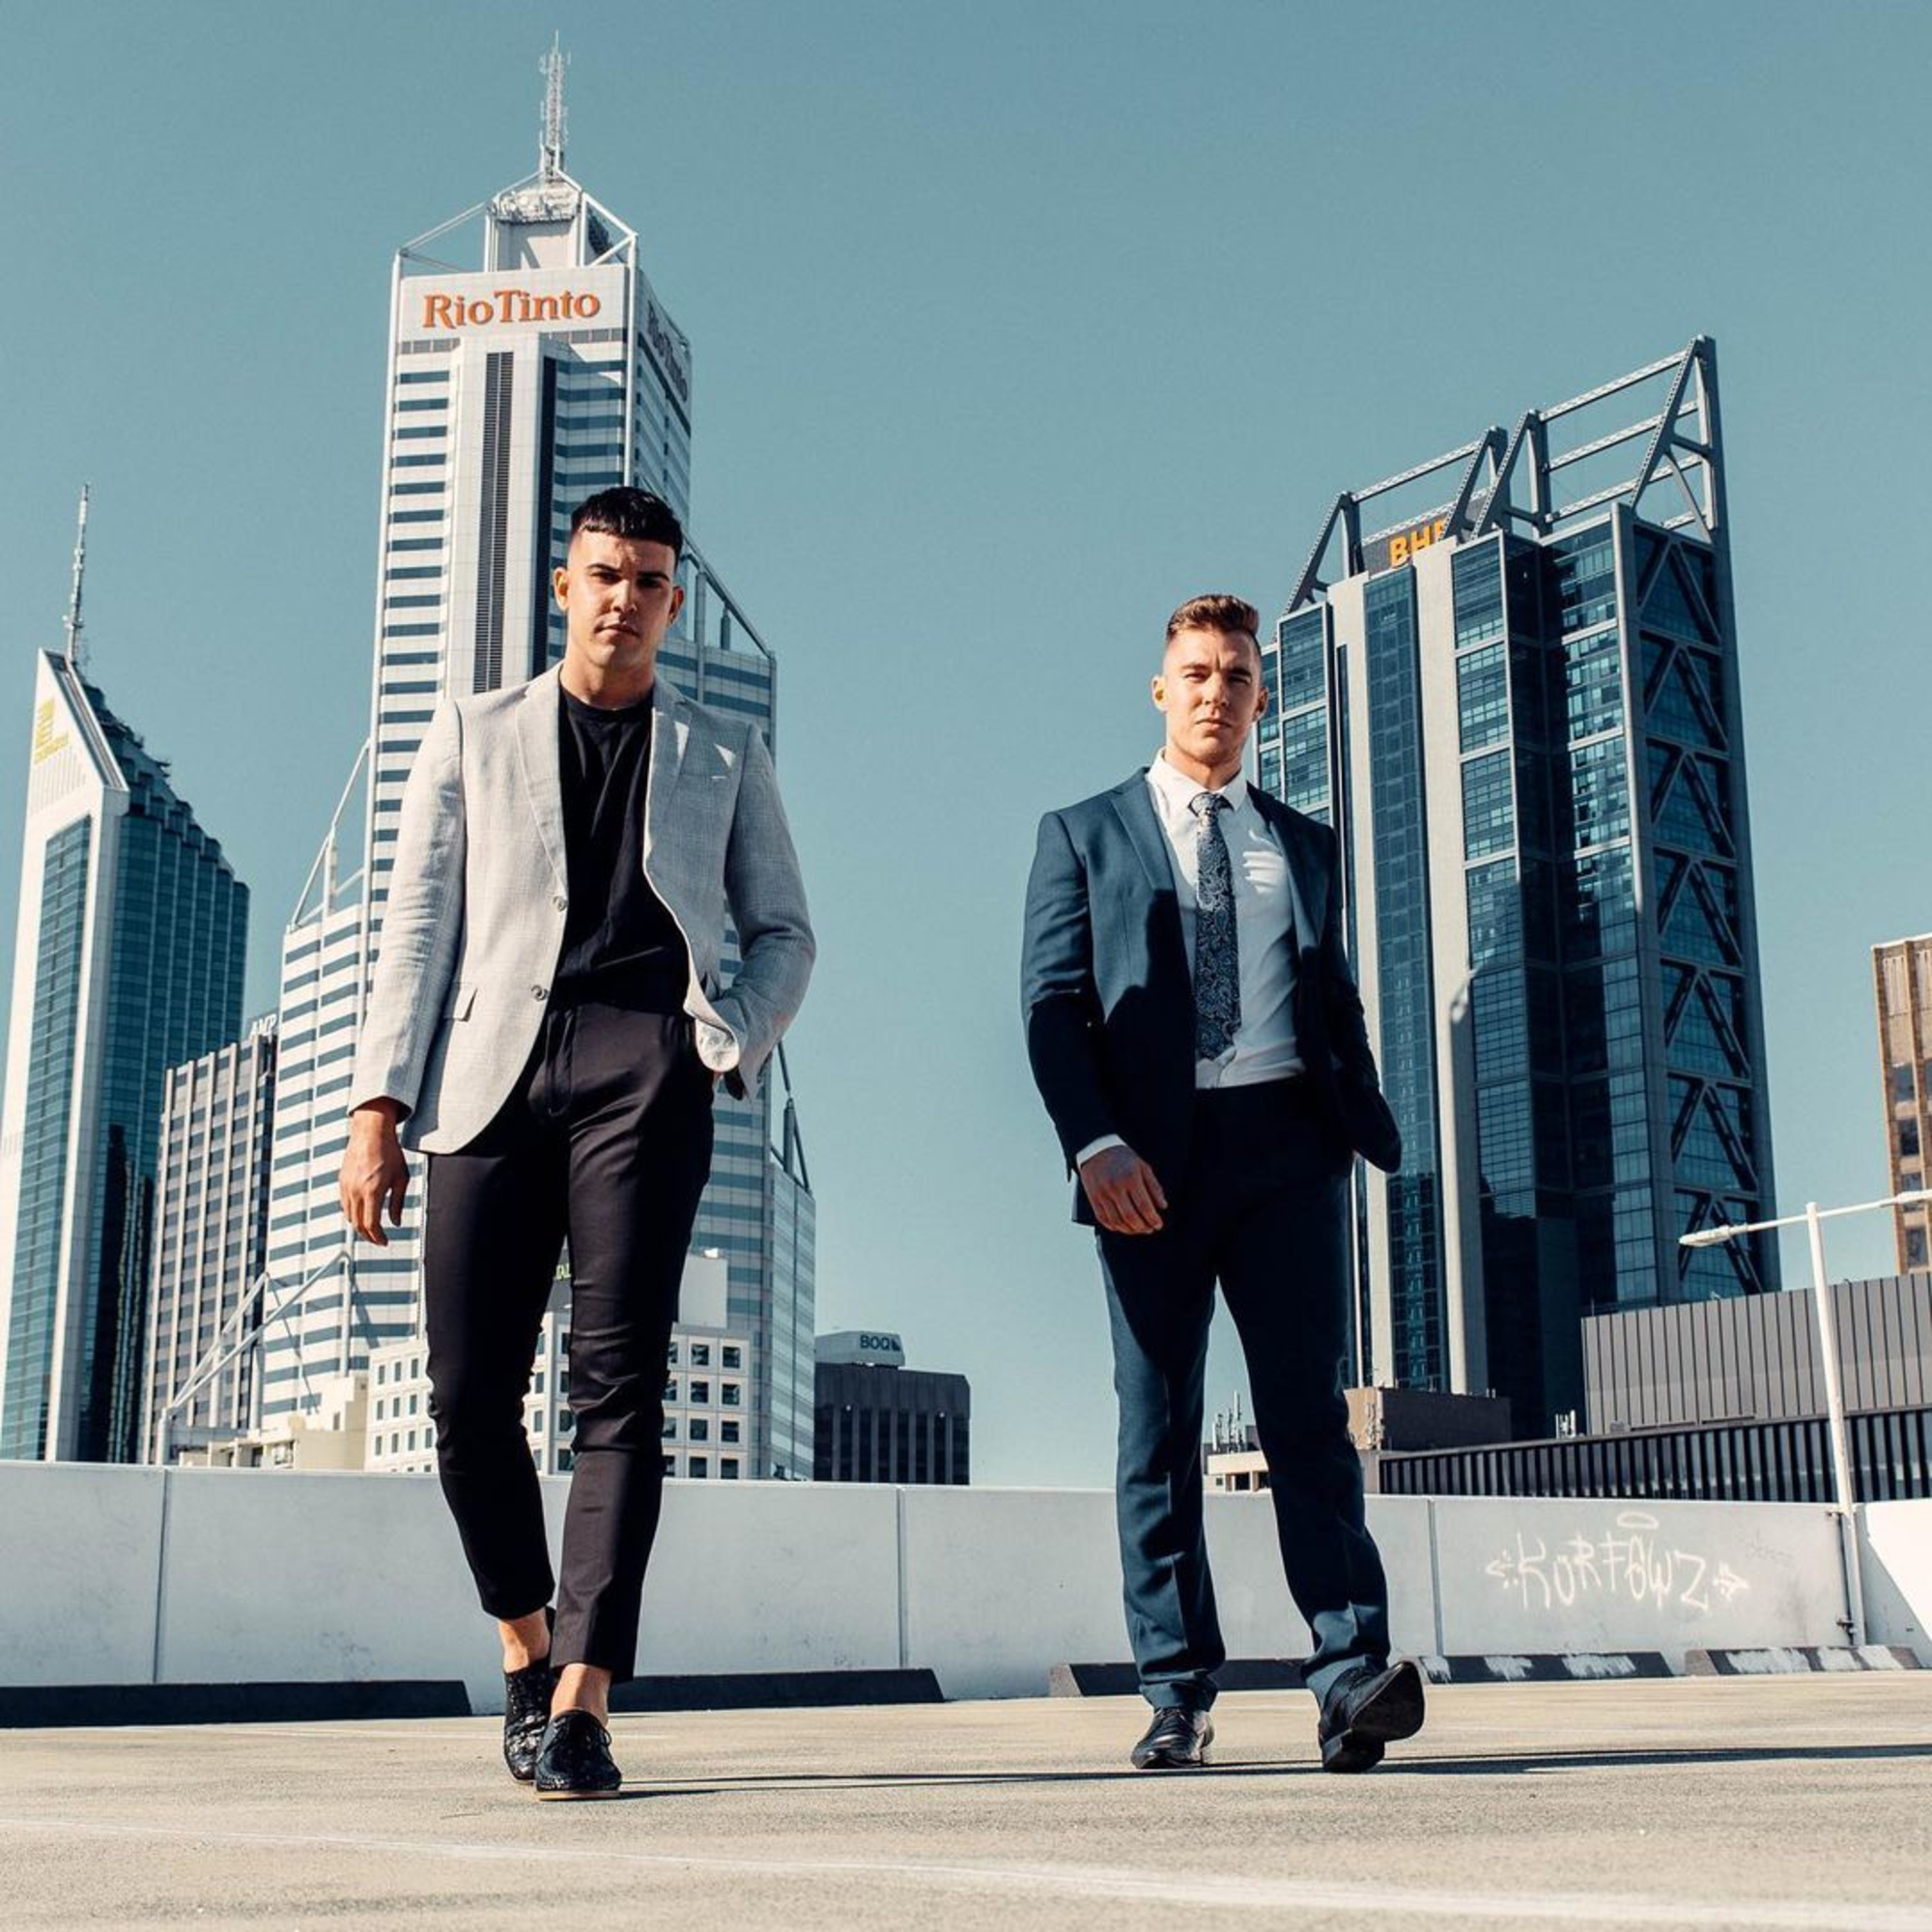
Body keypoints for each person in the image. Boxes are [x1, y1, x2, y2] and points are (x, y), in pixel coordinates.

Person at [339, 486, 813, 1799]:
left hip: (642, 1073)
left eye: (648, 580)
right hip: (489, 1077)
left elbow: (785, 931)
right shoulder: (472, 730)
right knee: (464, 1397)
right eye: (604, 573)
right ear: (565, 586)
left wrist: (723, 1039)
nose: (624, 598)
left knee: (621, 1393)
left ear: (672, 602)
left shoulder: (724, 751)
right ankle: (525, 1648)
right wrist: (378, 1109)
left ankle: (585, 1702)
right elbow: (418, 925)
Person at [1020, 593, 1421, 1773]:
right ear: (1161, 689)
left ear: (1259, 696)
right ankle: (1174, 1689)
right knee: (1157, 1426)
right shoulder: (1082, 833)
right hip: (1144, 1159)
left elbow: (1328, 989)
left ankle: (1349, 1675)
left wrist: (1352, 1105)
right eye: (1194, 672)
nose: (1214, 691)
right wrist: (1093, 1144)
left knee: (1307, 1416)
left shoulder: (1301, 843)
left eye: (1235, 674)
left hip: (1285, 1148)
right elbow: (1050, 1005)